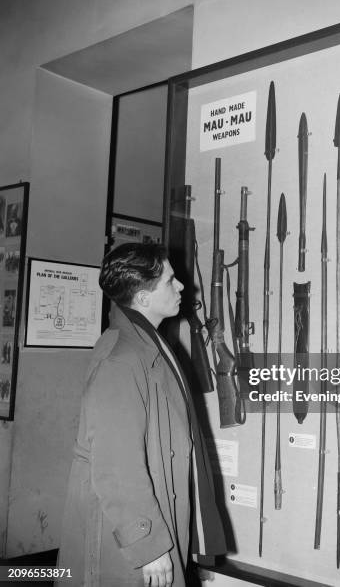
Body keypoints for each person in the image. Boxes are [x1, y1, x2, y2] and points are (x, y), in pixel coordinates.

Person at [57, 243, 226, 586]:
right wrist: (147, 545)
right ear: (144, 298)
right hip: (127, 543)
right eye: (170, 280)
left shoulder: (146, 343)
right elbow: (116, 465)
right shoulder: (122, 359)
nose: (182, 286)